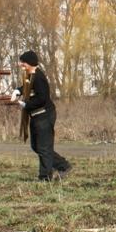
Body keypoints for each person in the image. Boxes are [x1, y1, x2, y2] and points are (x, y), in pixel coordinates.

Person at [14, 50, 72, 181]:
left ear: (30, 63)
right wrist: (18, 90)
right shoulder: (31, 75)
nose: (20, 64)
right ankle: (62, 165)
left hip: (44, 115)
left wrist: (25, 104)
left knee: (43, 147)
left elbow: (42, 99)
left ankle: (45, 177)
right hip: (36, 116)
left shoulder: (39, 78)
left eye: (23, 62)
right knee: (36, 146)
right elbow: (27, 87)